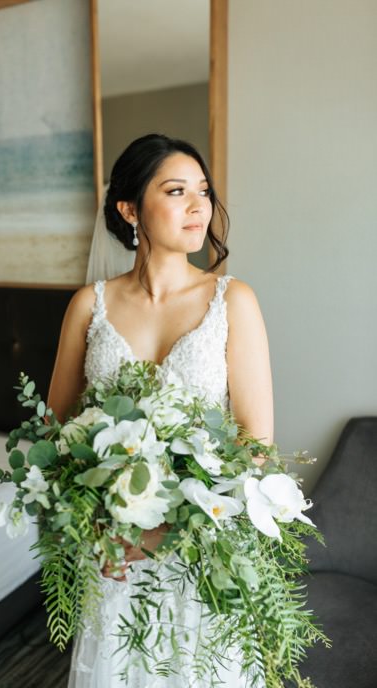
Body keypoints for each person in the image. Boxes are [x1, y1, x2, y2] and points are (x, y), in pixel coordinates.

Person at [44, 134, 273, 687]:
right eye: (176, 191)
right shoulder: (89, 305)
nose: (199, 206)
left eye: (203, 191)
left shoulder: (231, 301)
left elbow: (256, 445)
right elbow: (53, 434)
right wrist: (102, 520)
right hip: (114, 550)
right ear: (130, 209)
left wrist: (166, 533)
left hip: (203, 548)